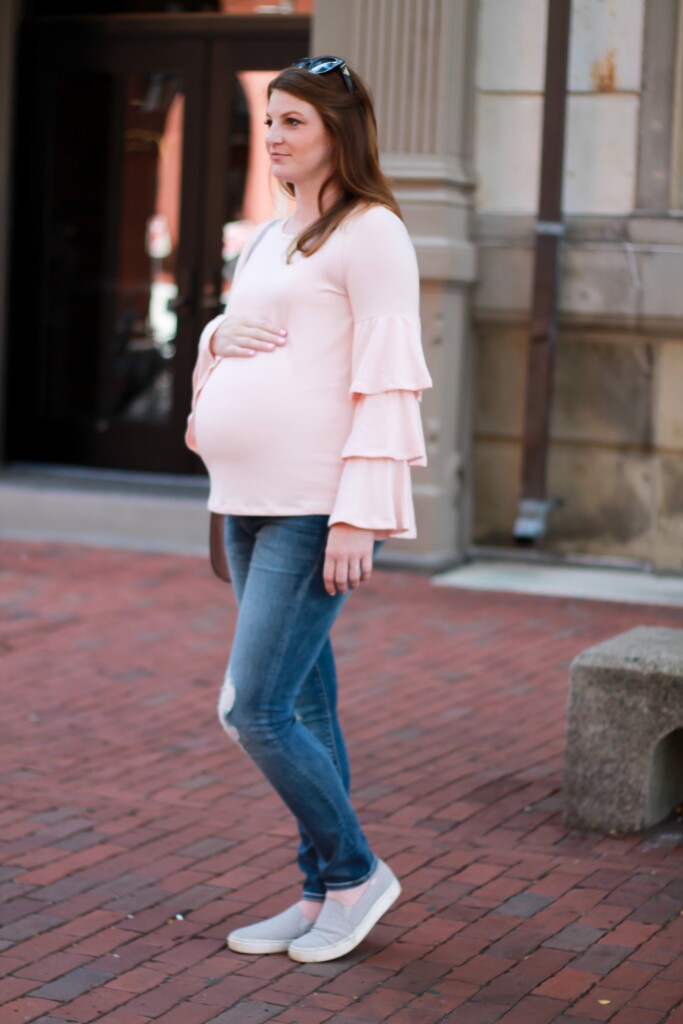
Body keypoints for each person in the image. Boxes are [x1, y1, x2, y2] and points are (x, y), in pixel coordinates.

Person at [185, 55, 432, 964]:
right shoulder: (268, 234)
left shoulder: (371, 233)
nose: (275, 137)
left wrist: (360, 514)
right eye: (269, 121)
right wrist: (213, 334)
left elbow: (388, 383)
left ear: (338, 129)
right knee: (306, 710)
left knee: (254, 710)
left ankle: (356, 870)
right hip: (246, 502)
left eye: (293, 121)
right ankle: (322, 888)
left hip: (308, 509)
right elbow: (237, 338)